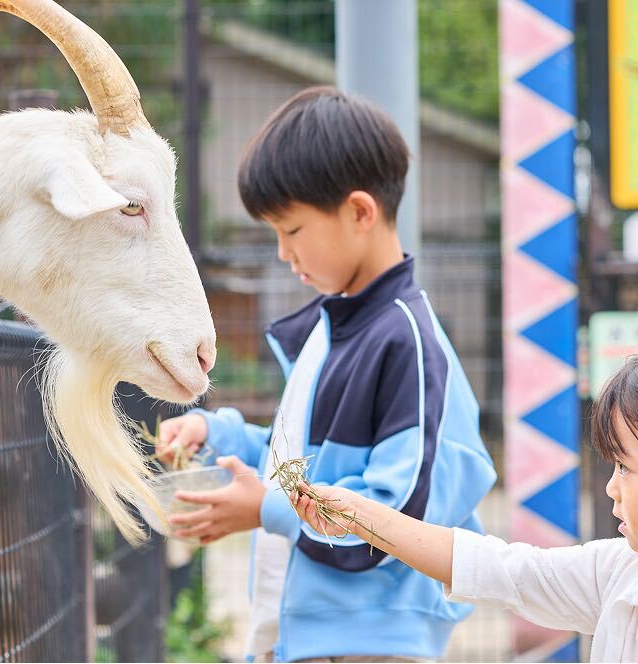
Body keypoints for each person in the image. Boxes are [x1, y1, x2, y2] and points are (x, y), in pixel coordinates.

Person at [157, 86, 497, 663]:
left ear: (360, 212)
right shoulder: (337, 328)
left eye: (291, 230)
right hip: (314, 636)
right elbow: (309, 463)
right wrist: (221, 437)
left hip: (368, 645)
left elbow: (395, 521)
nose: (285, 254)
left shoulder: (403, 342)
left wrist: (263, 509)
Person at [294, 330, 638, 662]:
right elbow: (502, 570)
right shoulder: (627, 572)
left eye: (625, 467)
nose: (611, 487)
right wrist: (362, 516)